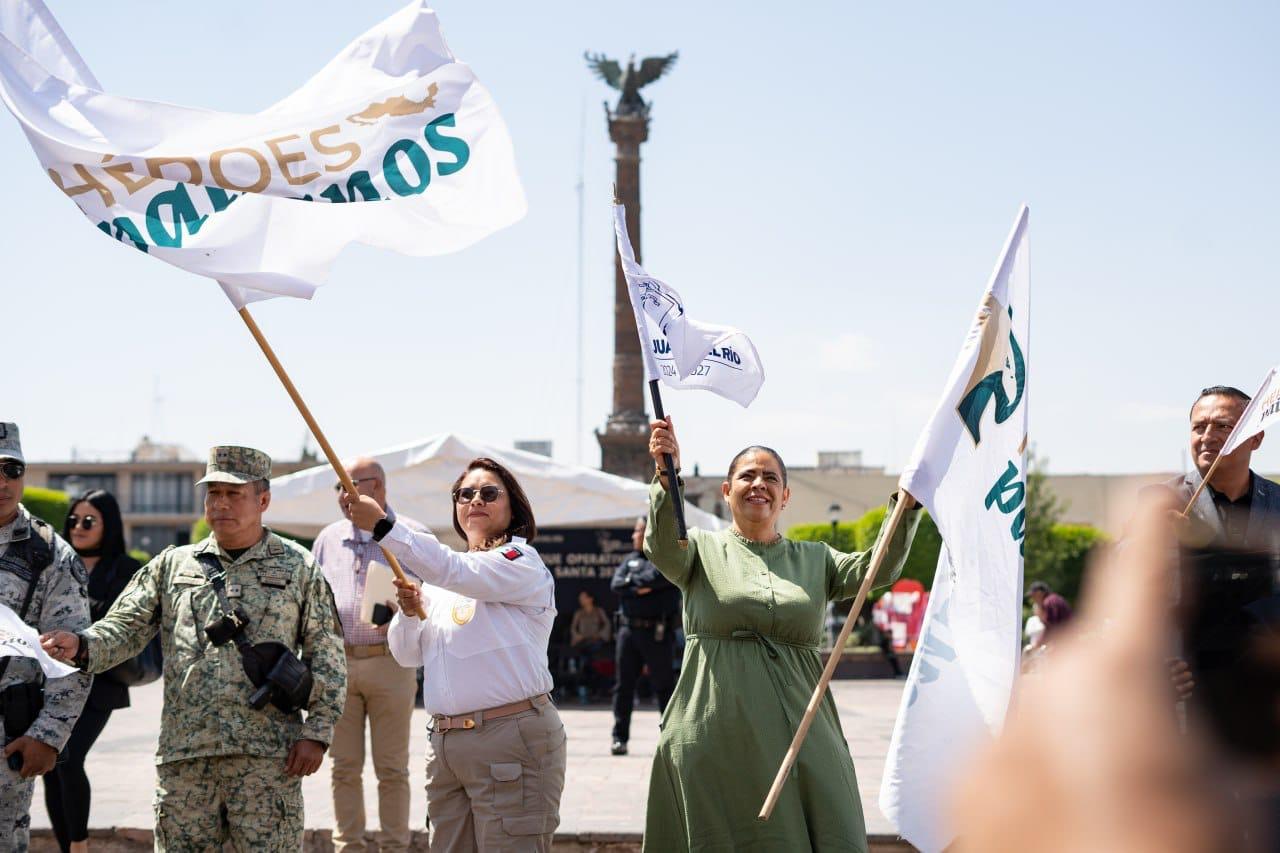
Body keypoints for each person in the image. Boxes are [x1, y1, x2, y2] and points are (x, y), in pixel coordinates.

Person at [41, 446, 347, 852]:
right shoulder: (172, 564)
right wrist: (82, 644)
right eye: (213, 493)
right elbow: (124, 627)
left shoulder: (298, 567)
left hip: (268, 760)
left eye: (233, 494)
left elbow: (327, 655)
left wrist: (318, 733)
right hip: (186, 760)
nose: (220, 504)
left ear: (263, 500)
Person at [641, 417, 921, 851]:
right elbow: (661, 544)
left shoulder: (817, 558)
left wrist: (906, 505)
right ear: (726, 491)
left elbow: (877, 568)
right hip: (714, 733)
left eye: (770, 477)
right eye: (747, 476)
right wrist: (666, 475)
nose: (758, 484)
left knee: (831, 827)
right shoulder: (699, 548)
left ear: (785, 496)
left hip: (802, 734)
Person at [346, 456, 566, 852]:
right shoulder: (445, 579)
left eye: (488, 493)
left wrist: (383, 526)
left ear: (512, 505)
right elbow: (407, 655)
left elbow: (457, 572)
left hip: (509, 739)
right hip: (447, 743)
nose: (474, 500)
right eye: (464, 494)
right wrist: (411, 615)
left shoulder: (520, 562)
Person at [313, 457, 426, 853]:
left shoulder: (410, 534)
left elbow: (433, 598)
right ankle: (350, 848)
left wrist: (407, 604)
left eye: (351, 486)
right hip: (339, 662)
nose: (344, 496)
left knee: (392, 769)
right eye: (338, 488)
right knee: (343, 768)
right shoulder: (327, 539)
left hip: (390, 663)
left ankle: (395, 846)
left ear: (376, 487)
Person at [0, 423, 91, 853]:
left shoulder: (50, 554)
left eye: (11, 468)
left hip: (7, 744)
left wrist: (48, 737)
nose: (2, 480)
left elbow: (71, 657)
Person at [42, 490, 139, 853]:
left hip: (102, 682)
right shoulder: (57, 563)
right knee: (50, 763)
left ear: (107, 525)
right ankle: (67, 845)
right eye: (72, 521)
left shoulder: (127, 569)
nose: (77, 528)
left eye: (88, 521)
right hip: (53, 681)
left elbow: (122, 623)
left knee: (69, 758)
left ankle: (79, 845)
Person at [609, 516, 680, 756]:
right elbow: (617, 585)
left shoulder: (664, 561)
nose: (633, 536)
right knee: (623, 687)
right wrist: (639, 586)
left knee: (664, 686)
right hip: (628, 631)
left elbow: (658, 578)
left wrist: (635, 586)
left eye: (638, 531)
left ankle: (671, 738)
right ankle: (619, 739)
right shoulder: (629, 560)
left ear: (650, 533)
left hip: (657, 632)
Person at [567, 589, 610, 703]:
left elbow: (606, 625)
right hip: (582, 642)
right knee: (583, 659)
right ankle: (584, 687)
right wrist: (578, 636)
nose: (581, 600)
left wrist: (600, 635)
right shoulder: (579, 613)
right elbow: (573, 628)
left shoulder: (598, 611)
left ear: (590, 599)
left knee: (591, 657)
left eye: (584, 597)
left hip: (596, 642)